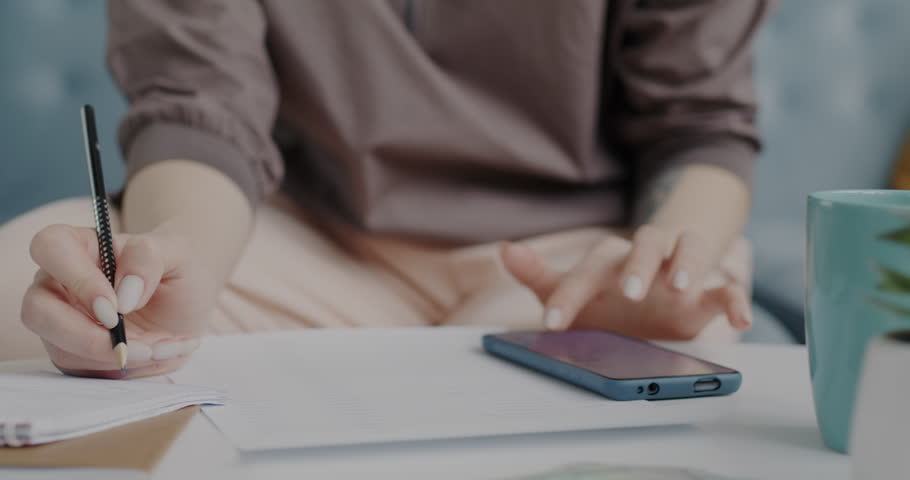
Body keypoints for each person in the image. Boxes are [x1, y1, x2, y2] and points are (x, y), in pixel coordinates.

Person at [0, 1, 771, 378]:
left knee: (666, 352)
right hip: (305, 236)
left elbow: (699, 126)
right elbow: (200, 109)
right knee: (28, 301)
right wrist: (176, 262)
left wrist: (663, 261)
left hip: (575, 262)